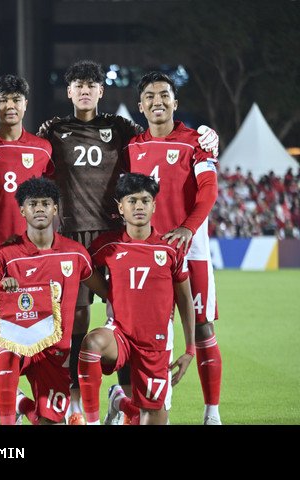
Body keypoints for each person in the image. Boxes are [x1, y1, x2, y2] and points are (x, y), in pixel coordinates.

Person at [38, 60, 218, 424]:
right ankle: (81, 404)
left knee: (164, 321)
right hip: (94, 240)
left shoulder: (124, 130)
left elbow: (197, 174)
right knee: (85, 319)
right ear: (69, 91)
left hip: (149, 243)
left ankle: (169, 405)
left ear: (101, 91)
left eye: (91, 85)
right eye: (78, 85)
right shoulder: (57, 131)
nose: (85, 91)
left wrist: (208, 135)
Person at [126, 72, 222, 425]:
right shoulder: (131, 147)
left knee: (203, 327)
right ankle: (143, 408)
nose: (158, 101)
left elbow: (209, 190)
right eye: (150, 96)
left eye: (164, 95)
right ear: (140, 106)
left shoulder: (195, 142)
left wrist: (187, 228)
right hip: (148, 255)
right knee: (149, 333)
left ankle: (212, 413)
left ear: (175, 102)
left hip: (191, 250)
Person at [0, 177, 107, 424]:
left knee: (51, 421)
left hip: (55, 352)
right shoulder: (6, 254)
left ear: (55, 208)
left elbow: (107, 292)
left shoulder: (75, 253)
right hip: (18, 343)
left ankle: (23, 404)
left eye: (46, 203)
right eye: (33, 204)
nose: (40, 209)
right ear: (23, 210)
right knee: (7, 356)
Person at [78, 172, 195, 425]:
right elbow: (82, 267)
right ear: (121, 207)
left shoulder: (170, 248)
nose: (138, 206)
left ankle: (119, 401)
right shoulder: (107, 245)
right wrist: (109, 292)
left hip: (156, 344)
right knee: (92, 343)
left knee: (150, 417)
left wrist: (190, 349)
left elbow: (185, 299)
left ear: (154, 206)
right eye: (132, 201)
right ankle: (93, 421)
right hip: (120, 333)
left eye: (145, 200)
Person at [0, 74, 54, 424]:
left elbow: (49, 199)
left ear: (25, 104)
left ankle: (28, 401)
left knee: (34, 328)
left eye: (16, 100)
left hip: (32, 255)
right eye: (3, 100)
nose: (10, 106)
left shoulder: (42, 148)